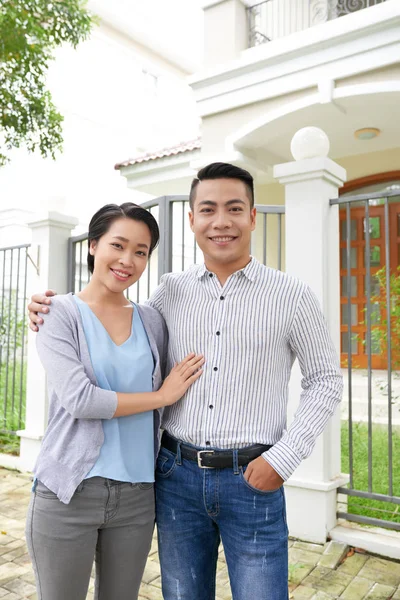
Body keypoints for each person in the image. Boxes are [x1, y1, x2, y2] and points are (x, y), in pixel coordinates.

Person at [28, 163, 343, 600]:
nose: (221, 221)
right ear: (191, 220)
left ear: (252, 217)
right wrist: (48, 306)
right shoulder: (170, 293)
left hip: (252, 477)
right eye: (208, 209)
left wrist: (284, 459)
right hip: (175, 479)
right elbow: (109, 315)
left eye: (234, 208)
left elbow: (325, 380)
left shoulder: (292, 295)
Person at [26, 202, 203, 600]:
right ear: (93, 246)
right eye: (118, 245)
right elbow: (81, 400)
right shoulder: (57, 314)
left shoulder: (151, 319)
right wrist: (161, 396)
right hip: (69, 493)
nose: (128, 260)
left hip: (137, 496)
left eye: (140, 252)